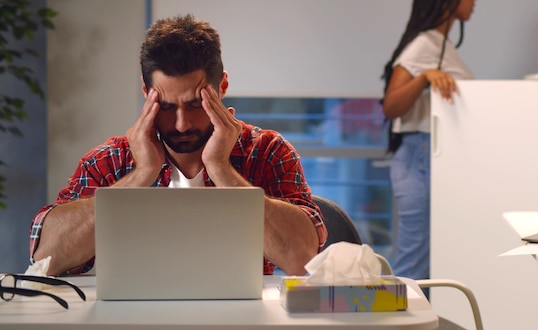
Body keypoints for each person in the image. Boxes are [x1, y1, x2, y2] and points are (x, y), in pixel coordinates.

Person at [29, 14, 327, 277]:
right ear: (147, 93)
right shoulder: (112, 159)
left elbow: (304, 261)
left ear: (221, 87)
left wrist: (221, 170)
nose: (182, 124)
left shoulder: (267, 152)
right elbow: (46, 259)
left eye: (196, 104)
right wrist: (140, 175)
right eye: (168, 106)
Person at [380, 0, 475, 289]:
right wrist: (423, 78)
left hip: (426, 157)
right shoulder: (425, 45)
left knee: (428, 264)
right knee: (415, 265)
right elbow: (391, 106)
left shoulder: (439, 44)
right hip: (419, 156)